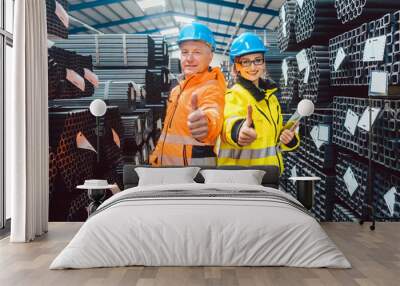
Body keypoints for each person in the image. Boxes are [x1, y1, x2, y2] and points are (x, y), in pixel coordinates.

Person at [217, 32, 300, 173]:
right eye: (245, 62)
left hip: (269, 174)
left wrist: (288, 139)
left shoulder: (270, 97)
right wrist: (239, 131)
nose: (253, 67)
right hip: (242, 178)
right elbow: (229, 123)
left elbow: (273, 137)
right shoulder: (234, 95)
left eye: (257, 60)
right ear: (237, 66)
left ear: (263, 62)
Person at [150, 22, 226, 166]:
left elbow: (213, 113)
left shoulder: (211, 88)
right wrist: (156, 159)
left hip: (194, 176)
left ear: (210, 56)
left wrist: (206, 125)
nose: (189, 58)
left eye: (197, 52)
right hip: (168, 171)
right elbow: (168, 132)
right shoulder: (177, 90)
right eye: (185, 52)